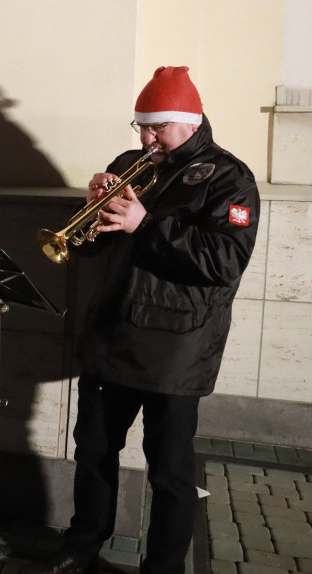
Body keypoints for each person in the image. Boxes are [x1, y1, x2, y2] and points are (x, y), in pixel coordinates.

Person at [24, 66, 260, 574]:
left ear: (189, 122)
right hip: (113, 336)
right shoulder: (132, 163)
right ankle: (82, 546)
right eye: (141, 127)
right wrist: (95, 213)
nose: (147, 139)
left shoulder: (229, 177)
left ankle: (164, 567)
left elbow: (223, 263)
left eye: (157, 128)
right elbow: (95, 249)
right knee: (93, 452)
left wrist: (145, 223)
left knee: (170, 471)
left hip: (177, 348)